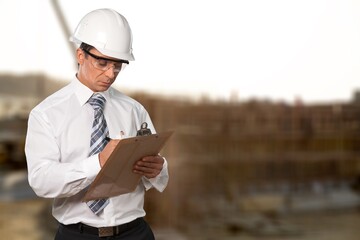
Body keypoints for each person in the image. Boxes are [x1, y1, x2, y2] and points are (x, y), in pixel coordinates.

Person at [25, 8, 169, 240]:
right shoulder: (46, 114)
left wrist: (158, 169)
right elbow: (41, 181)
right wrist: (99, 162)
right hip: (78, 235)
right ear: (80, 56)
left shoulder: (134, 109)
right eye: (102, 63)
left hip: (135, 233)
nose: (111, 74)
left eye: (118, 66)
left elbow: (157, 169)